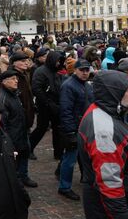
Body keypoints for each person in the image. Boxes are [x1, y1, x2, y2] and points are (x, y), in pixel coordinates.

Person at [78, 70, 128, 218]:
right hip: (127, 209)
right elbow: (110, 185)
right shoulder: (104, 131)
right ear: (114, 93)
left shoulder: (107, 112)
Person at [57, 59, 93, 201]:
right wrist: (70, 131)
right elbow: (65, 110)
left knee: (79, 156)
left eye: (87, 70)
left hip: (85, 126)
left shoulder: (87, 85)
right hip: (75, 127)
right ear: (76, 70)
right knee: (70, 158)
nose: (85, 73)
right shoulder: (68, 86)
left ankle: (62, 172)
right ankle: (64, 187)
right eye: (82, 70)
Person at [0, 69, 37, 188]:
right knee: (14, 160)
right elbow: (3, 123)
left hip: (22, 131)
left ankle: (23, 176)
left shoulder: (14, 93)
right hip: (13, 135)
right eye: (13, 79)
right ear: (4, 81)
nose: (16, 81)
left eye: (17, 79)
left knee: (25, 153)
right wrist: (8, 140)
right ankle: (16, 180)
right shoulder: (3, 98)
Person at [30, 50, 65, 160]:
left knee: (58, 129)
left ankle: (58, 153)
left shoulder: (56, 71)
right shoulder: (41, 71)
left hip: (56, 104)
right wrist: (48, 103)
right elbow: (37, 89)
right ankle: (29, 148)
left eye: (60, 61)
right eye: (58, 61)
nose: (59, 63)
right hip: (44, 105)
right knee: (41, 128)